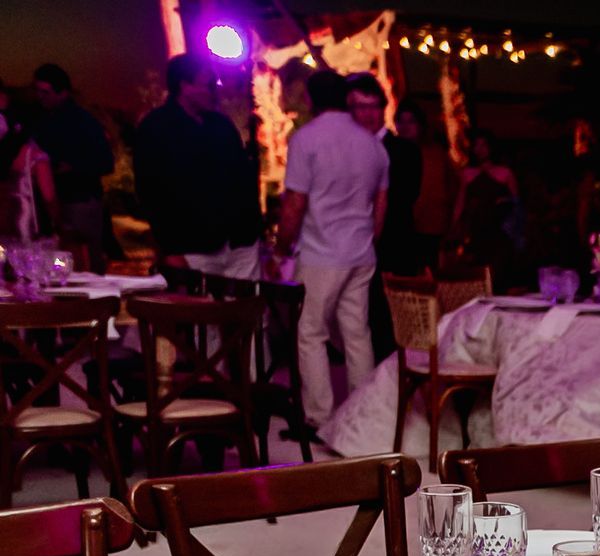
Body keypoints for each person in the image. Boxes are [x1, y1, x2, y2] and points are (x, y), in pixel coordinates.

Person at [279, 69, 388, 428]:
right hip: (361, 251)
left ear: (310, 99)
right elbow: (379, 206)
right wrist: (367, 239)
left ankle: (318, 417)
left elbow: (295, 201)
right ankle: (362, 416)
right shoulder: (373, 144)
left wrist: (282, 246)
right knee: (357, 333)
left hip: (321, 253)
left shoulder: (306, 139)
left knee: (310, 332)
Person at [134, 53, 261, 279]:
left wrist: (252, 227)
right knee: (203, 312)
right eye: (209, 84)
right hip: (193, 244)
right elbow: (152, 192)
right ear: (185, 86)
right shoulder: (157, 128)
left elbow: (242, 177)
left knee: (246, 310)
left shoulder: (220, 124)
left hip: (239, 242)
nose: (215, 91)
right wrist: (170, 248)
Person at [29, 64, 113, 269]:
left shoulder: (83, 121)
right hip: (51, 205)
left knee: (84, 262)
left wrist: (72, 168)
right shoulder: (42, 120)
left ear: (63, 92)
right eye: (38, 91)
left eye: (46, 92)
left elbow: (105, 162)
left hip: (79, 203)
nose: (40, 96)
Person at [450, 128, 518, 274]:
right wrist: (454, 226)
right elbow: (460, 202)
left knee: (498, 269)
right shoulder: (467, 174)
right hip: (476, 229)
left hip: (499, 229)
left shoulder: (505, 173)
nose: (480, 149)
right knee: (477, 270)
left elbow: (515, 203)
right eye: (476, 145)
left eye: (484, 145)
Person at [378, 100, 426, 274]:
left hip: (407, 228)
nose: (405, 126)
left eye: (410, 121)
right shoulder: (386, 146)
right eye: (401, 121)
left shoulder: (416, 152)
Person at [0, 96, 56, 242]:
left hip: (5, 224)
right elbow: (48, 196)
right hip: (30, 224)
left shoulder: (5, 153)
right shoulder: (35, 156)